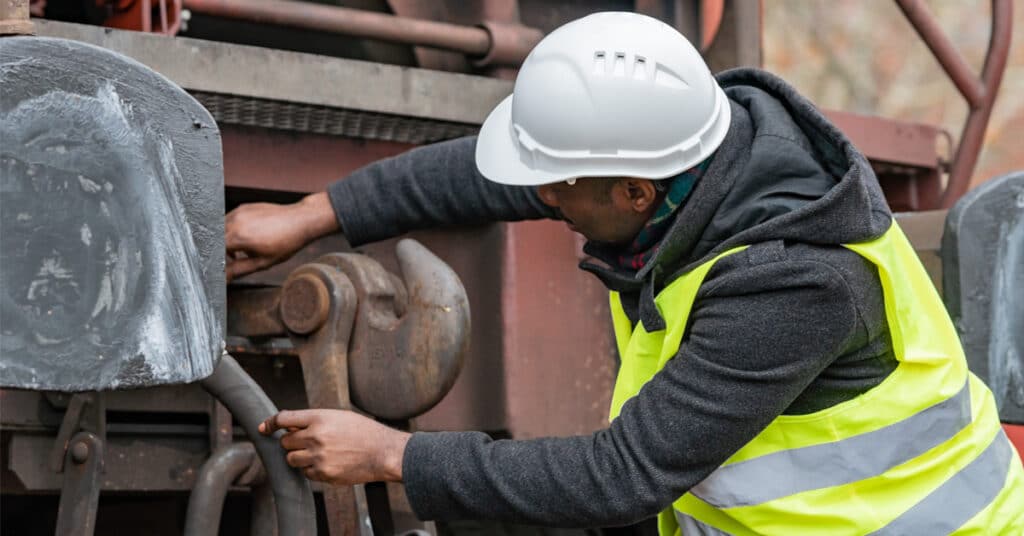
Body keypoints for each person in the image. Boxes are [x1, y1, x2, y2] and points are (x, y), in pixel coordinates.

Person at [227, 12, 1024, 535]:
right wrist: (315, 212)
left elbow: (621, 475)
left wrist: (394, 456)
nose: (537, 200)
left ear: (635, 192)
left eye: (552, 191)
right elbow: (506, 175)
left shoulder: (795, 284)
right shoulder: (703, 156)